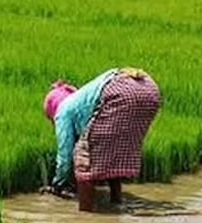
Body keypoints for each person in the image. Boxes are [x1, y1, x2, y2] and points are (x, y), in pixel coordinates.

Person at [44, 68, 162, 212]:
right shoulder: (81, 101)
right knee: (112, 150)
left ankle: (86, 215)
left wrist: (58, 184)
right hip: (149, 87)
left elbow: (65, 155)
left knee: (84, 157)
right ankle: (116, 203)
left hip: (120, 89)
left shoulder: (63, 111)